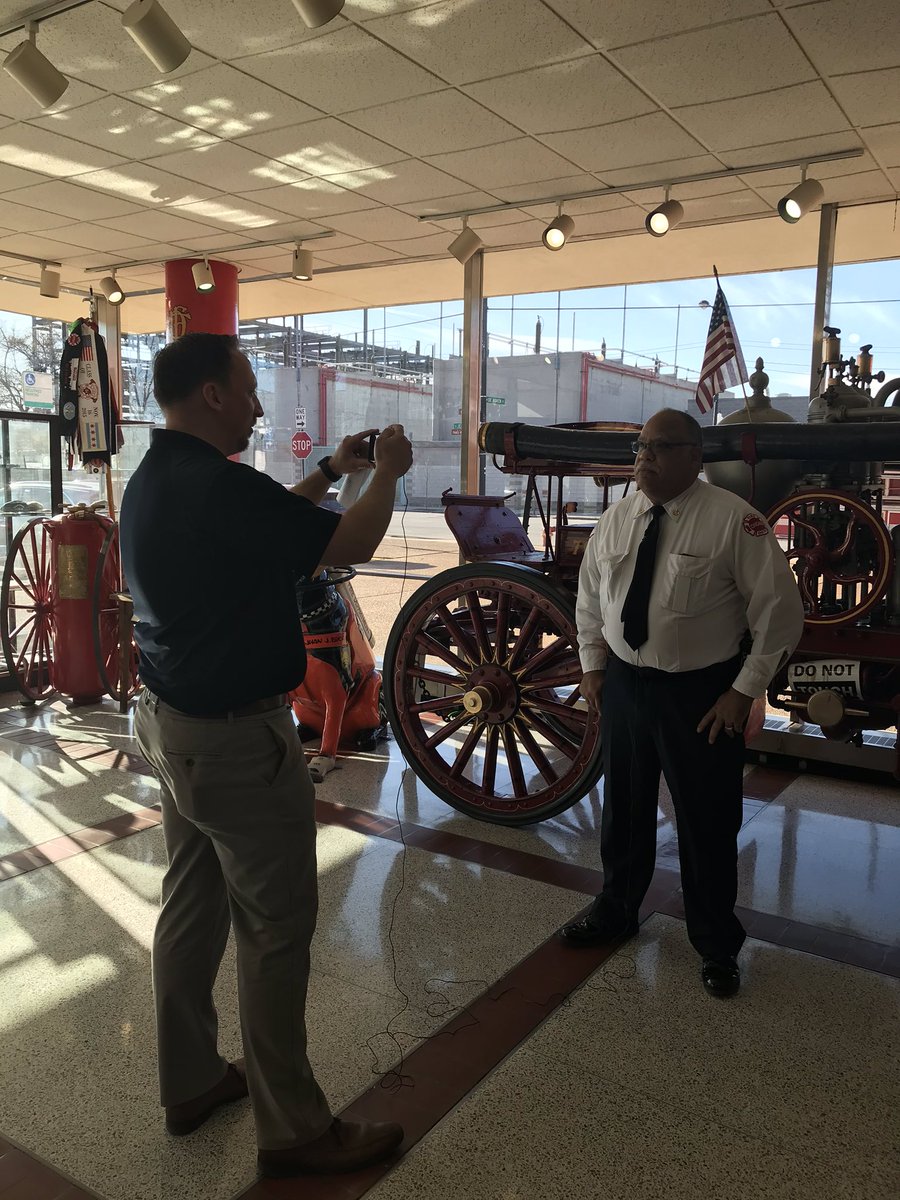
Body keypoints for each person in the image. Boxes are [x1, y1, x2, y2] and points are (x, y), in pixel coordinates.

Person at [120, 332, 412, 1177]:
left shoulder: (158, 479)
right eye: (247, 390)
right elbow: (349, 542)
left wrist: (328, 466)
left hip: (175, 730)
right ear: (212, 395)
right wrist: (383, 469)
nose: (255, 403)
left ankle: (190, 1080)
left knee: (190, 906)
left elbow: (269, 522)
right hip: (239, 743)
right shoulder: (213, 484)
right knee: (276, 930)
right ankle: (297, 1130)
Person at [562, 408, 804, 997]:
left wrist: (744, 690)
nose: (644, 457)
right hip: (624, 685)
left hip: (701, 695)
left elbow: (779, 615)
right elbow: (592, 598)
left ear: (695, 458)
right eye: (640, 446)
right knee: (623, 807)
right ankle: (617, 908)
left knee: (706, 820)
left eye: (661, 447)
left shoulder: (733, 522)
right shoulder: (617, 520)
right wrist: (594, 665)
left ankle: (717, 942)